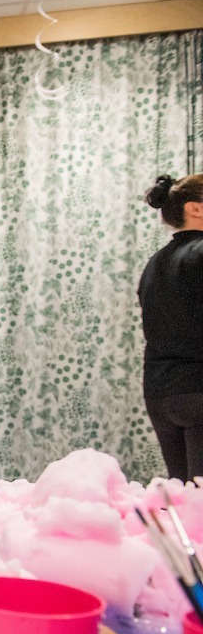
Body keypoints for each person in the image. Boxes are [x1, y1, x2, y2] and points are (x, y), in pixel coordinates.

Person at [140, 173, 203, 481]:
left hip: (160, 393)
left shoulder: (154, 263)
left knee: (185, 503)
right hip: (198, 387)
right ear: (196, 208)